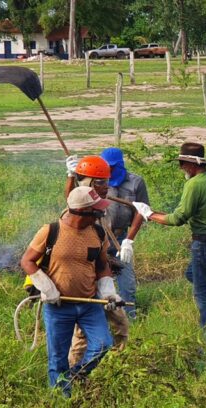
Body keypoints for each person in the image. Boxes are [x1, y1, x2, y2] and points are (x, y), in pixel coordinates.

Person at [131, 142, 206, 327]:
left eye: (182, 163)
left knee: (201, 291)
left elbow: (178, 218)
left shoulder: (193, 185)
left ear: (193, 164)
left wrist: (150, 214)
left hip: (204, 244)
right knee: (192, 273)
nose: (181, 168)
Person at [20, 186, 121, 393]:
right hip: (59, 307)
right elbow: (28, 261)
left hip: (89, 304)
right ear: (82, 213)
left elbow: (102, 266)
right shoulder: (50, 231)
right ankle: (61, 400)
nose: (101, 214)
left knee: (103, 344)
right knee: (57, 358)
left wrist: (109, 291)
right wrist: (46, 287)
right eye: (96, 211)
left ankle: (75, 375)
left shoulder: (98, 232)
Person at [62, 154, 130, 366]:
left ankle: (118, 368)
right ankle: (75, 374)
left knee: (121, 324)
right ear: (89, 182)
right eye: (100, 182)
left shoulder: (99, 205)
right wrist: (72, 177)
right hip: (85, 281)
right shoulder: (76, 211)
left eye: (107, 181)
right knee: (82, 336)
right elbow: (72, 199)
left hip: (101, 275)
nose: (106, 186)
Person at [99, 147, 149, 319]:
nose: (109, 171)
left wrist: (129, 241)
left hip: (121, 239)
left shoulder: (136, 182)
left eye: (112, 167)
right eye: (106, 167)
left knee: (127, 284)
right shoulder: (98, 182)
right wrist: (73, 175)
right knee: (95, 282)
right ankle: (100, 319)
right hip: (98, 238)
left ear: (120, 165)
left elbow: (141, 211)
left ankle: (130, 320)